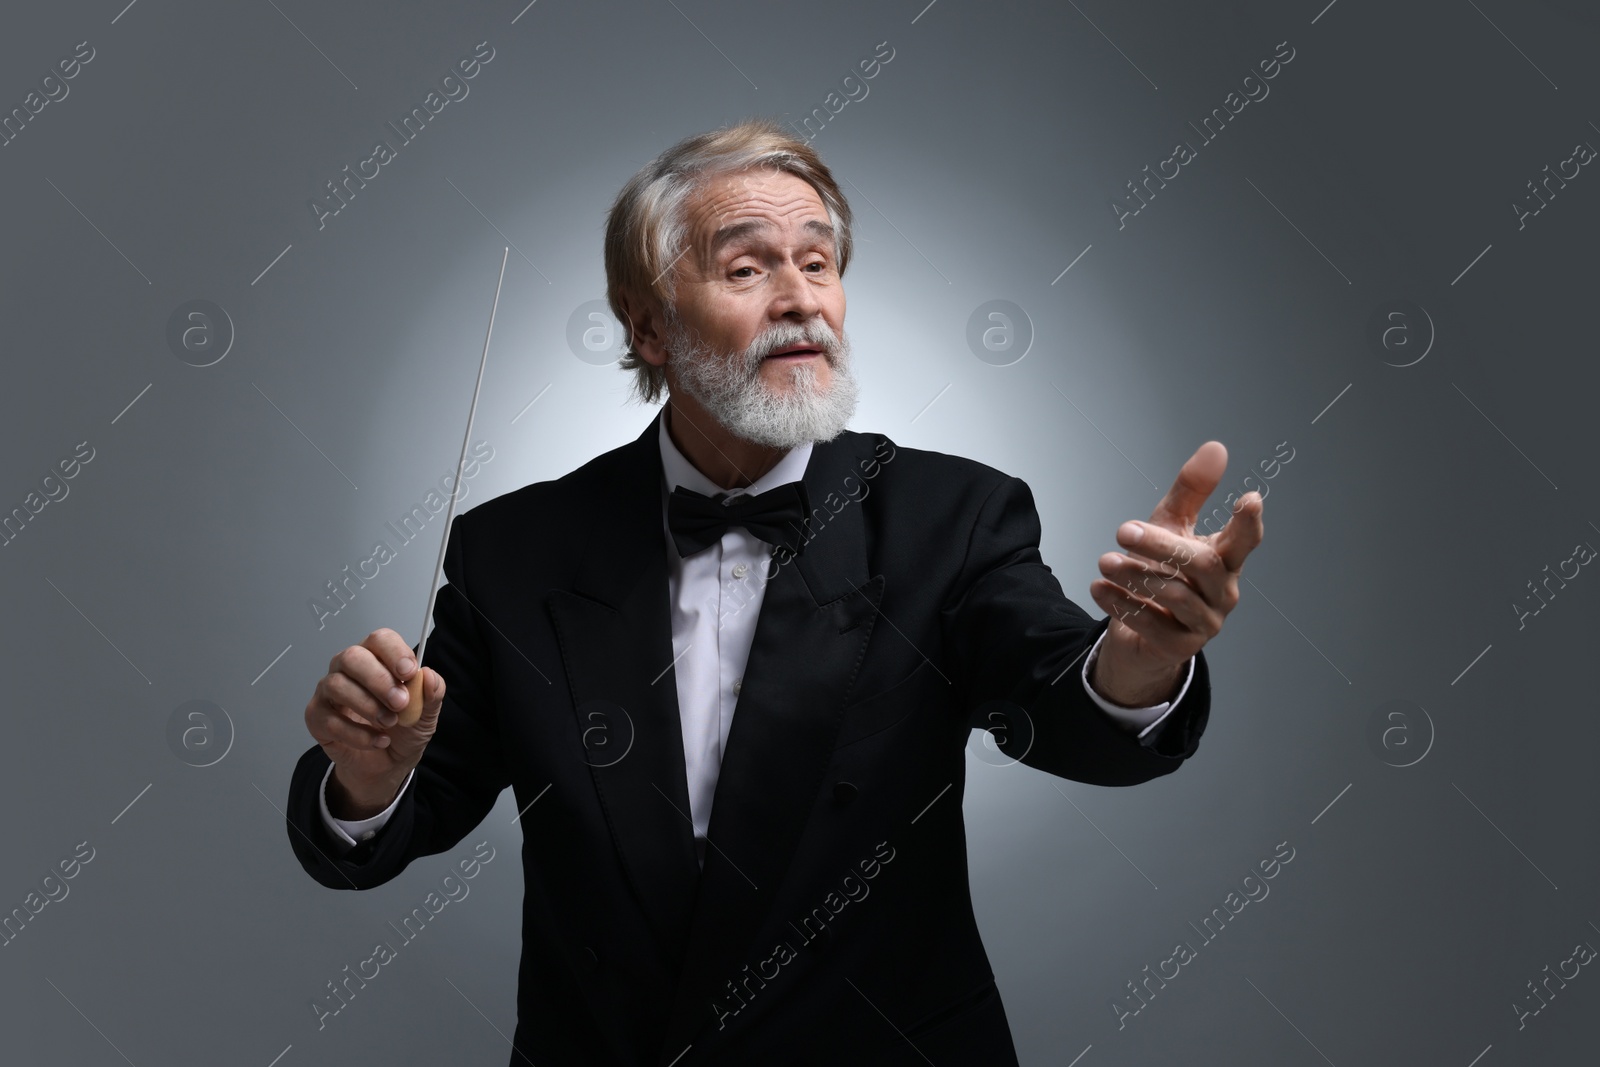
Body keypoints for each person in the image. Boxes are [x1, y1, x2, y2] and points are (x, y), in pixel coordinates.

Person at [284, 117, 1264, 1066]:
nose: (799, 297)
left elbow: (1057, 699)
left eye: (819, 262)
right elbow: (406, 804)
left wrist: (1137, 657)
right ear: (648, 325)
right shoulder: (516, 548)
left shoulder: (951, 515)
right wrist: (369, 770)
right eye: (747, 267)